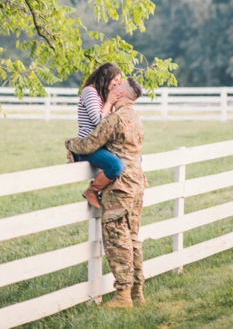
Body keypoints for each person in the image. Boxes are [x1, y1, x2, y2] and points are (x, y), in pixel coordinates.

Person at [66, 76, 147, 308]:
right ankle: (137, 292)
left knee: (116, 239)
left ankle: (123, 296)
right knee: (132, 238)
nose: (112, 89)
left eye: (115, 88)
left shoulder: (116, 119)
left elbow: (89, 144)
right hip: (138, 183)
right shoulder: (136, 118)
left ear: (121, 94)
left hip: (120, 186)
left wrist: (69, 144)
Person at [72, 62, 126, 208]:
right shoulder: (90, 92)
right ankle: (92, 190)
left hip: (100, 145)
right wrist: (109, 102)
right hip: (87, 145)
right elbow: (98, 121)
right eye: (115, 80)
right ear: (105, 77)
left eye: (118, 82)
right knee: (116, 165)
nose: (116, 84)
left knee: (134, 158)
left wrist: (114, 103)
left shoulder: (102, 95)